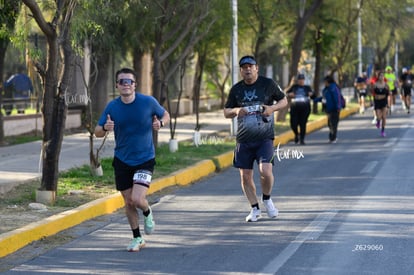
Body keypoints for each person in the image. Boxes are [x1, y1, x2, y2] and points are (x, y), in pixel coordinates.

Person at [94, 67, 170, 252]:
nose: (126, 84)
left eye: (129, 81)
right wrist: (105, 127)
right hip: (122, 160)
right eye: (122, 81)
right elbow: (96, 132)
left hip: (145, 158)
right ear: (117, 85)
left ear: (135, 85)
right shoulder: (112, 106)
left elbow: (166, 115)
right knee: (128, 202)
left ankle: (147, 211)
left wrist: (160, 123)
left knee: (137, 199)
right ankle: (137, 238)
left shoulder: (148, 102)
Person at [223, 55, 288, 222]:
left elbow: (284, 101)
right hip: (244, 140)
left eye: (250, 66)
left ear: (256, 68)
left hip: (264, 137)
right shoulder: (236, 89)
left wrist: (272, 108)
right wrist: (237, 111)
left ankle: (267, 198)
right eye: (244, 67)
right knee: (245, 176)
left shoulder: (268, 84)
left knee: (265, 171)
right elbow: (226, 112)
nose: (248, 69)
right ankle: (254, 209)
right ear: (241, 70)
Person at [285, 74, 313, 145]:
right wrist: (289, 95)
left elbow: (313, 95)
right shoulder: (294, 87)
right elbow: (285, 93)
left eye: (302, 79)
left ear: (304, 80)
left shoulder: (307, 87)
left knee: (302, 124)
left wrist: (311, 94)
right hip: (295, 107)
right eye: (300, 79)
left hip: (305, 108)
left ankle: (302, 139)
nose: (301, 81)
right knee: (293, 124)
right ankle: (296, 134)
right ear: (297, 80)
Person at [322, 75, 341, 143]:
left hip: (334, 109)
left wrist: (338, 107)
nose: (324, 83)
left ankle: (333, 137)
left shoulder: (333, 88)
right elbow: (324, 98)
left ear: (328, 82)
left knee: (333, 124)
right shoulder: (326, 89)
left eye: (325, 82)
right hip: (328, 109)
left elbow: (337, 98)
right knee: (330, 123)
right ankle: (332, 136)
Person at [372, 71, 390, 137]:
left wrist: (388, 104)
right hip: (377, 101)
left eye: (382, 76)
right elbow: (372, 93)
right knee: (379, 116)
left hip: (384, 101)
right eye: (380, 76)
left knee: (384, 117)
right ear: (378, 77)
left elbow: (388, 95)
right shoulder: (375, 85)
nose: (381, 77)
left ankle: (382, 131)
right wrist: (372, 101)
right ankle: (378, 121)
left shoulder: (386, 85)